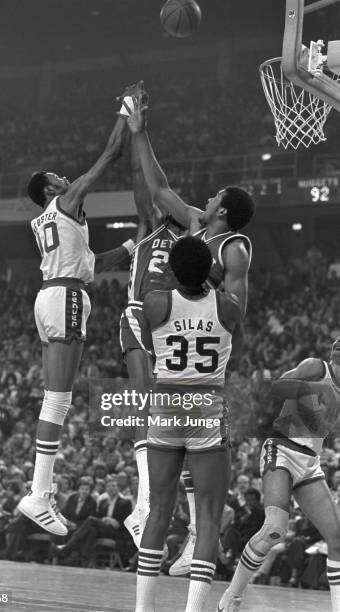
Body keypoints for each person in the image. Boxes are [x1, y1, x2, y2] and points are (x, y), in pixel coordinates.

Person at [123, 87, 255, 573]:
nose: (209, 195)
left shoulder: (234, 250)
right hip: (179, 350)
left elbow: (237, 313)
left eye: (217, 195)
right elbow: (159, 191)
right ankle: (189, 539)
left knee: (202, 465)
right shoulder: (198, 226)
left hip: (210, 365)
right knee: (175, 457)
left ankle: (201, 539)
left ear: (224, 210)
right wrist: (141, 135)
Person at [17, 92, 138, 536]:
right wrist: (125, 113)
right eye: (57, 176)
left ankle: (39, 491)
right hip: (64, 298)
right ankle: (39, 492)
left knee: (56, 398)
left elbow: (89, 264)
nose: (66, 177)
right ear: (51, 190)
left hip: (52, 296)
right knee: (59, 399)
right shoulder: (65, 204)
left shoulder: (57, 223)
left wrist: (130, 247)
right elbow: (107, 156)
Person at [135, 236, 242, 612]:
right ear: (211, 268)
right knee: (209, 517)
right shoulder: (228, 306)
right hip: (207, 408)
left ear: (172, 269)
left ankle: (142, 608)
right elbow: (236, 353)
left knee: (159, 510)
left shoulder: (155, 302)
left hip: (166, 406)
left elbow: (150, 346)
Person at [218, 337, 340, 612]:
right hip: (281, 448)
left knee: (337, 540)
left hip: (310, 463)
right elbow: (277, 386)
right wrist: (317, 390)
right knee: (274, 529)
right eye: (338, 339)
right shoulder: (316, 367)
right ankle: (232, 597)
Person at [120, 88, 185, 546]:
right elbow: (145, 183)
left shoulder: (193, 235)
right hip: (141, 313)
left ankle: (158, 507)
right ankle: (144, 504)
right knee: (147, 405)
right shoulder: (148, 225)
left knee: (170, 416)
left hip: (172, 322)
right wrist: (134, 128)